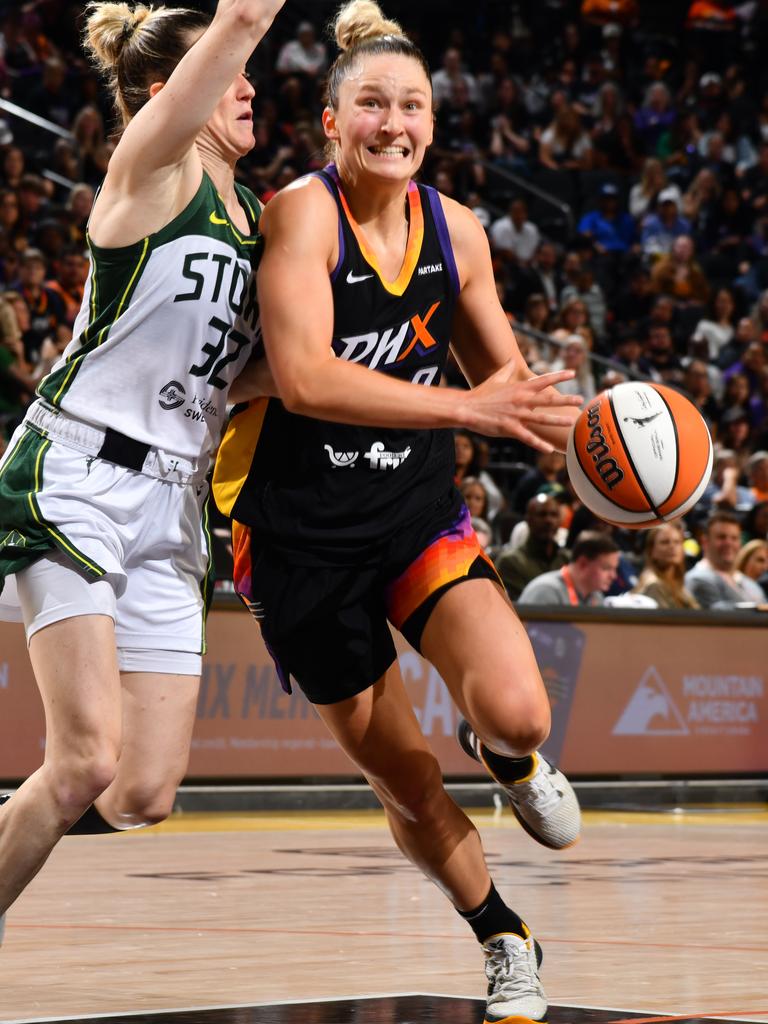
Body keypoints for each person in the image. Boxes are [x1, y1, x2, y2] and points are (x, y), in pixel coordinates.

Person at [212, 4, 584, 1020]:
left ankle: (506, 758)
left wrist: (586, 439)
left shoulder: (456, 229)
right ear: (332, 123)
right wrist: (472, 405)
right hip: (295, 537)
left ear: (432, 121)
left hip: (411, 512)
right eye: (371, 103)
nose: (393, 122)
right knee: (408, 780)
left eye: (411, 105)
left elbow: (503, 370)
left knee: (520, 711)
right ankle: (505, 935)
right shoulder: (298, 217)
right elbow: (305, 376)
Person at [0, 0, 284, 943]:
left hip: (175, 500)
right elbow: (241, 16)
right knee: (81, 760)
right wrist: (236, 29)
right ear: (170, 92)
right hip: (77, 469)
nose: (250, 85)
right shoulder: (152, 169)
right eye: (228, 70)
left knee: (141, 793)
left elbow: (236, 371)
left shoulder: (256, 216)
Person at [685, 511, 766, 608]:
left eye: (734, 538)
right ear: (705, 541)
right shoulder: (697, 579)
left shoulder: (750, 583)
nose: (728, 543)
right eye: (721, 537)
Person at [517, 530, 619, 605]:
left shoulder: (596, 597)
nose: (613, 576)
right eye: (606, 568)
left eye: (615, 569)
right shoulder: (545, 592)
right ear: (583, 564)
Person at [633, 523, 700, 609]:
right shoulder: (653, 585)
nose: (672, 546)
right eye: (665, 542)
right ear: (652, 551)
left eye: (677, 542)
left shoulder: (677, 583)